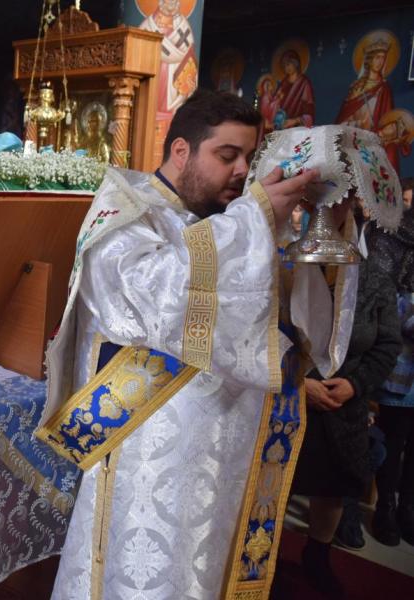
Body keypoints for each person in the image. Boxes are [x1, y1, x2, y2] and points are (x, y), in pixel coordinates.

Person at [41, 90, 353, 599]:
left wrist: (320, 231)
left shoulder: (234, 221)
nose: (241, 171)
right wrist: (254, 221)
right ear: (181, 150)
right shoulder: (126, 210)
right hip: (148, 455)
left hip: (227, 448)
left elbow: (287, 319)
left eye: (248, 157)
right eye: (227, 155)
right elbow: (153, 300)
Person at [292, 251, 400, 596]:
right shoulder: (284, 263)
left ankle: (317, 555)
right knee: (272, 485)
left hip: (344, 404)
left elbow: (388, 344)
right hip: (285, 399)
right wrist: (296, 383)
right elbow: (255, 332)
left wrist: (356, 385)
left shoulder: (373, 276)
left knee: (333, 485)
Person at [369, 208, 414, 547]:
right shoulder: (395, 235)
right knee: (395, 437)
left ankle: (408, 508)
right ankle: (384, 507)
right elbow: (383, 301)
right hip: (400, 362)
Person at [336, 34, 397, 169]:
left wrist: (384, 131)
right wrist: (358, 124)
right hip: (354, 138)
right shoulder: (356, 88)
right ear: (369, 60)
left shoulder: (384, 88)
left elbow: (388, 119)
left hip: (373, 141)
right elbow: (342, 121)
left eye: (383, 58)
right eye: (377, 57)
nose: (380, 61)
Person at [275, 49, 315, 129]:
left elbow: (309, 109)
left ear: (295, 63)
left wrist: (295, 120)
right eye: (284, 66)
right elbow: (276, 102)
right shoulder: (283, 84)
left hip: (297, 127)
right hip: (282, 125)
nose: (287, 67)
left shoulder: (304, 83)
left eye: (289, 64)